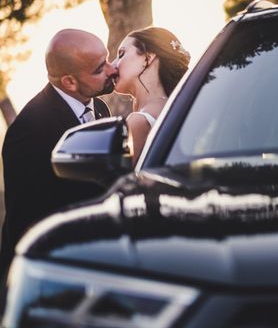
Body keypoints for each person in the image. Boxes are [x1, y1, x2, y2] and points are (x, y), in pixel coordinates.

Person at [1, 29, 115, 275]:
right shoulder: (29, 130)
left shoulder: (100, 107)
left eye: (106, 59)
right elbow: (27, 222)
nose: (112, 69)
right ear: (69, 82)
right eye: (99, 68)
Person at [113, 27, 190, 165]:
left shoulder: (138, 122)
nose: (113, 66)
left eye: (121, 54)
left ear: (147, 58)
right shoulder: (183, 107)